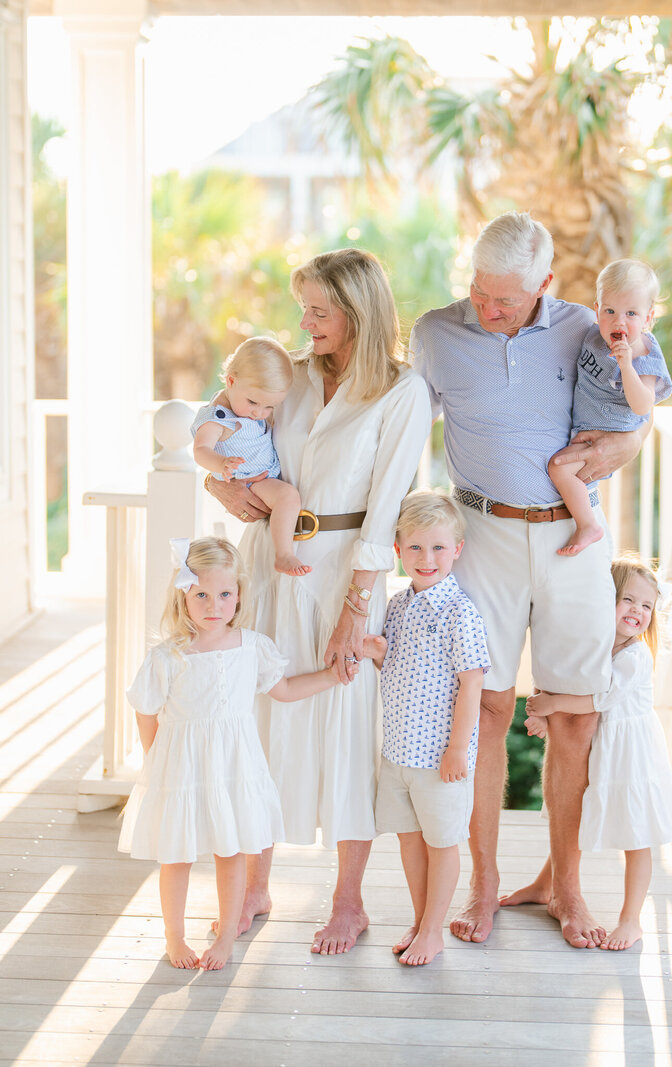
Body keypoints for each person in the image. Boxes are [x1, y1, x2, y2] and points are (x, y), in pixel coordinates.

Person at [410, 211, 649, 949]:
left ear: (546, 284)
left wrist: (633, 440)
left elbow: (638, 407)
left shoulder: (585, 325)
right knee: (480, 708)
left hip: (572, 538)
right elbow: (391, 431)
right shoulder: (435, 333)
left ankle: (564, 885)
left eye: (507, 299)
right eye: (480, 291)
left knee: (575, 714)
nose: (488, 308)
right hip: (480, 532)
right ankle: (483, 883)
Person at [203, 248, 431, 954]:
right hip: (271, 566)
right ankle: (256, 886)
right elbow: (230, 436)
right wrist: (222, 487)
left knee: (347, 727)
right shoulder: (290, 378)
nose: (304, 322)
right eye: (303, 307)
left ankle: (348, 901)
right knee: (260, 720)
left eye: (318, 310)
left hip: (343, 574)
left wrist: (356, 609)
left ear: (358, 312)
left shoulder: (401, 393)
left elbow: (387, 506)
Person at [118, 537, 352, 970]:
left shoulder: (252, 646)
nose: (214, 605)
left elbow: (283, 690)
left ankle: (226, 936)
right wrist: (155, 764)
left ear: (239, 595)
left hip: (234, 766)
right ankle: (175, 936)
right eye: (201, 594)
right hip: (181, 769)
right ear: (183, 595)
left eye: (224, 594)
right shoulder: (168, 656)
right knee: (178, 855)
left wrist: (334, 676)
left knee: (231, 852)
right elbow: (145, 711)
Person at [522, 555, 672, 950]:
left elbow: (598, 699)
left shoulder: (634, 655)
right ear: (602, 599)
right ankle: (546, 886)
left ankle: (631, 920)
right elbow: (575, 686)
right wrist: (548, 716)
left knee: (636, 836)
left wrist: (552, 705)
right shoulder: (595, 647)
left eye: (646, 606)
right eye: (628, 600)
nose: (638, 612)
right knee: (576, 814)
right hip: (601, 749)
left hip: (630, 755)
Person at [363, 491, 490, 966]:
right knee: (410, 840)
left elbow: (472, 681)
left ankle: (433, 930)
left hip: (440, 758)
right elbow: (394, 664)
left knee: (442, 842)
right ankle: (421, 921)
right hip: (398, 753)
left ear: (457, 549)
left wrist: (459, 748)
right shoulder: (398, 605)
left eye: (438, 547)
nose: (427, 558)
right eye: (415, 548)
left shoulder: (460, 612)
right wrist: (377, 651)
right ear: (398, 551)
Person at [548, 260, 672, 557]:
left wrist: (626, 365)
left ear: (648, 318)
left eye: (631, 313)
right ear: (597, 308)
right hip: (585, 426)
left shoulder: (644, 356)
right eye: (610, 311)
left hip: (608, 433)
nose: (619, 322)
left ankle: (588, 525)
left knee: (559, 469)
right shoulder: (593, 335)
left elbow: (642, 403)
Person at [191, 337, 310, 577]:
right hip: (251, 480)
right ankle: (284, 554)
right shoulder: (219, 418)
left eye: (269, 407)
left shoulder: (247, 408)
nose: (259, 413)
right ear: (231, 381)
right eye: (253, 402)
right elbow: (200, 450)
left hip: (265, 473)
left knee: (287, 497)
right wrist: (221, 463)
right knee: (288, 496)